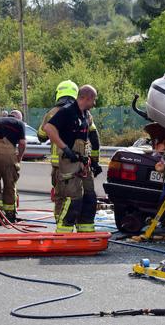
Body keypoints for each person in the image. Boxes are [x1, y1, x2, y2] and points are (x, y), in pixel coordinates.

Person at [43, 85, 98, 233]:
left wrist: (94, 161)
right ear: (86, 98)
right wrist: (65, 148)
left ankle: (85, 229)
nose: (95, 103)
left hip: (83, 162)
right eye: (94, 99)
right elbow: (48, 128)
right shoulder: (67, 111)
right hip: (69, 161)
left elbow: (90, 137)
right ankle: (64, 232)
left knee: (89, 196)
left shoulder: (85, 114)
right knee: (74, 197)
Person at [38, 81, 102, 206]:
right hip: (75, 163)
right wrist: (95, 160)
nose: (94, 104)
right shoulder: (83, 114)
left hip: (62, 165)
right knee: (75, 198)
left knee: (64, 199)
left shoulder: (51, 113)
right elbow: (94, 137)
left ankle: (62, 223)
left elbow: (41, 136)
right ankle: (69, 224)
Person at [0, 110, 26, 222]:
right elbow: (22, 143)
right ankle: (10, 215)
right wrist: (20, 157)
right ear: (19, 117)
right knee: (9, 184)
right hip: (7, 153)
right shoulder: (19, 123)